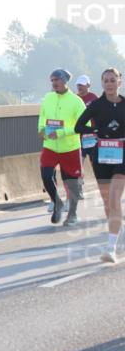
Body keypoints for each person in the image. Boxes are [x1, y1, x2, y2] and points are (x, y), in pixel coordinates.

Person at [74, 68, 125, 263]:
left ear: (119, 82)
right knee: (107, 203)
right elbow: (78, 127)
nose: (109, 84)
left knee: (114, 199)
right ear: (102, 83)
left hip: (122, 154)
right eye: (106, 81)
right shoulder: (96, 105)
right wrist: (97, 129)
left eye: (113, 80)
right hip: (102, 155)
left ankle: (110, 249)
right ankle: (116, 230)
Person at [37, 69, 87, 226]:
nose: (54, 83)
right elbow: (42, 117)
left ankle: (72, 214)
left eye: (57, 80)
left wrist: (62, 132)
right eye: (52, 80)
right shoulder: (48, 98)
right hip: (50, 146)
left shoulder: (76, 101)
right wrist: (41, 129)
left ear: (65, 81)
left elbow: (85, 125)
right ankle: (57, 202)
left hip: (70, 148)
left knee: (72, 184)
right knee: (46, 175)